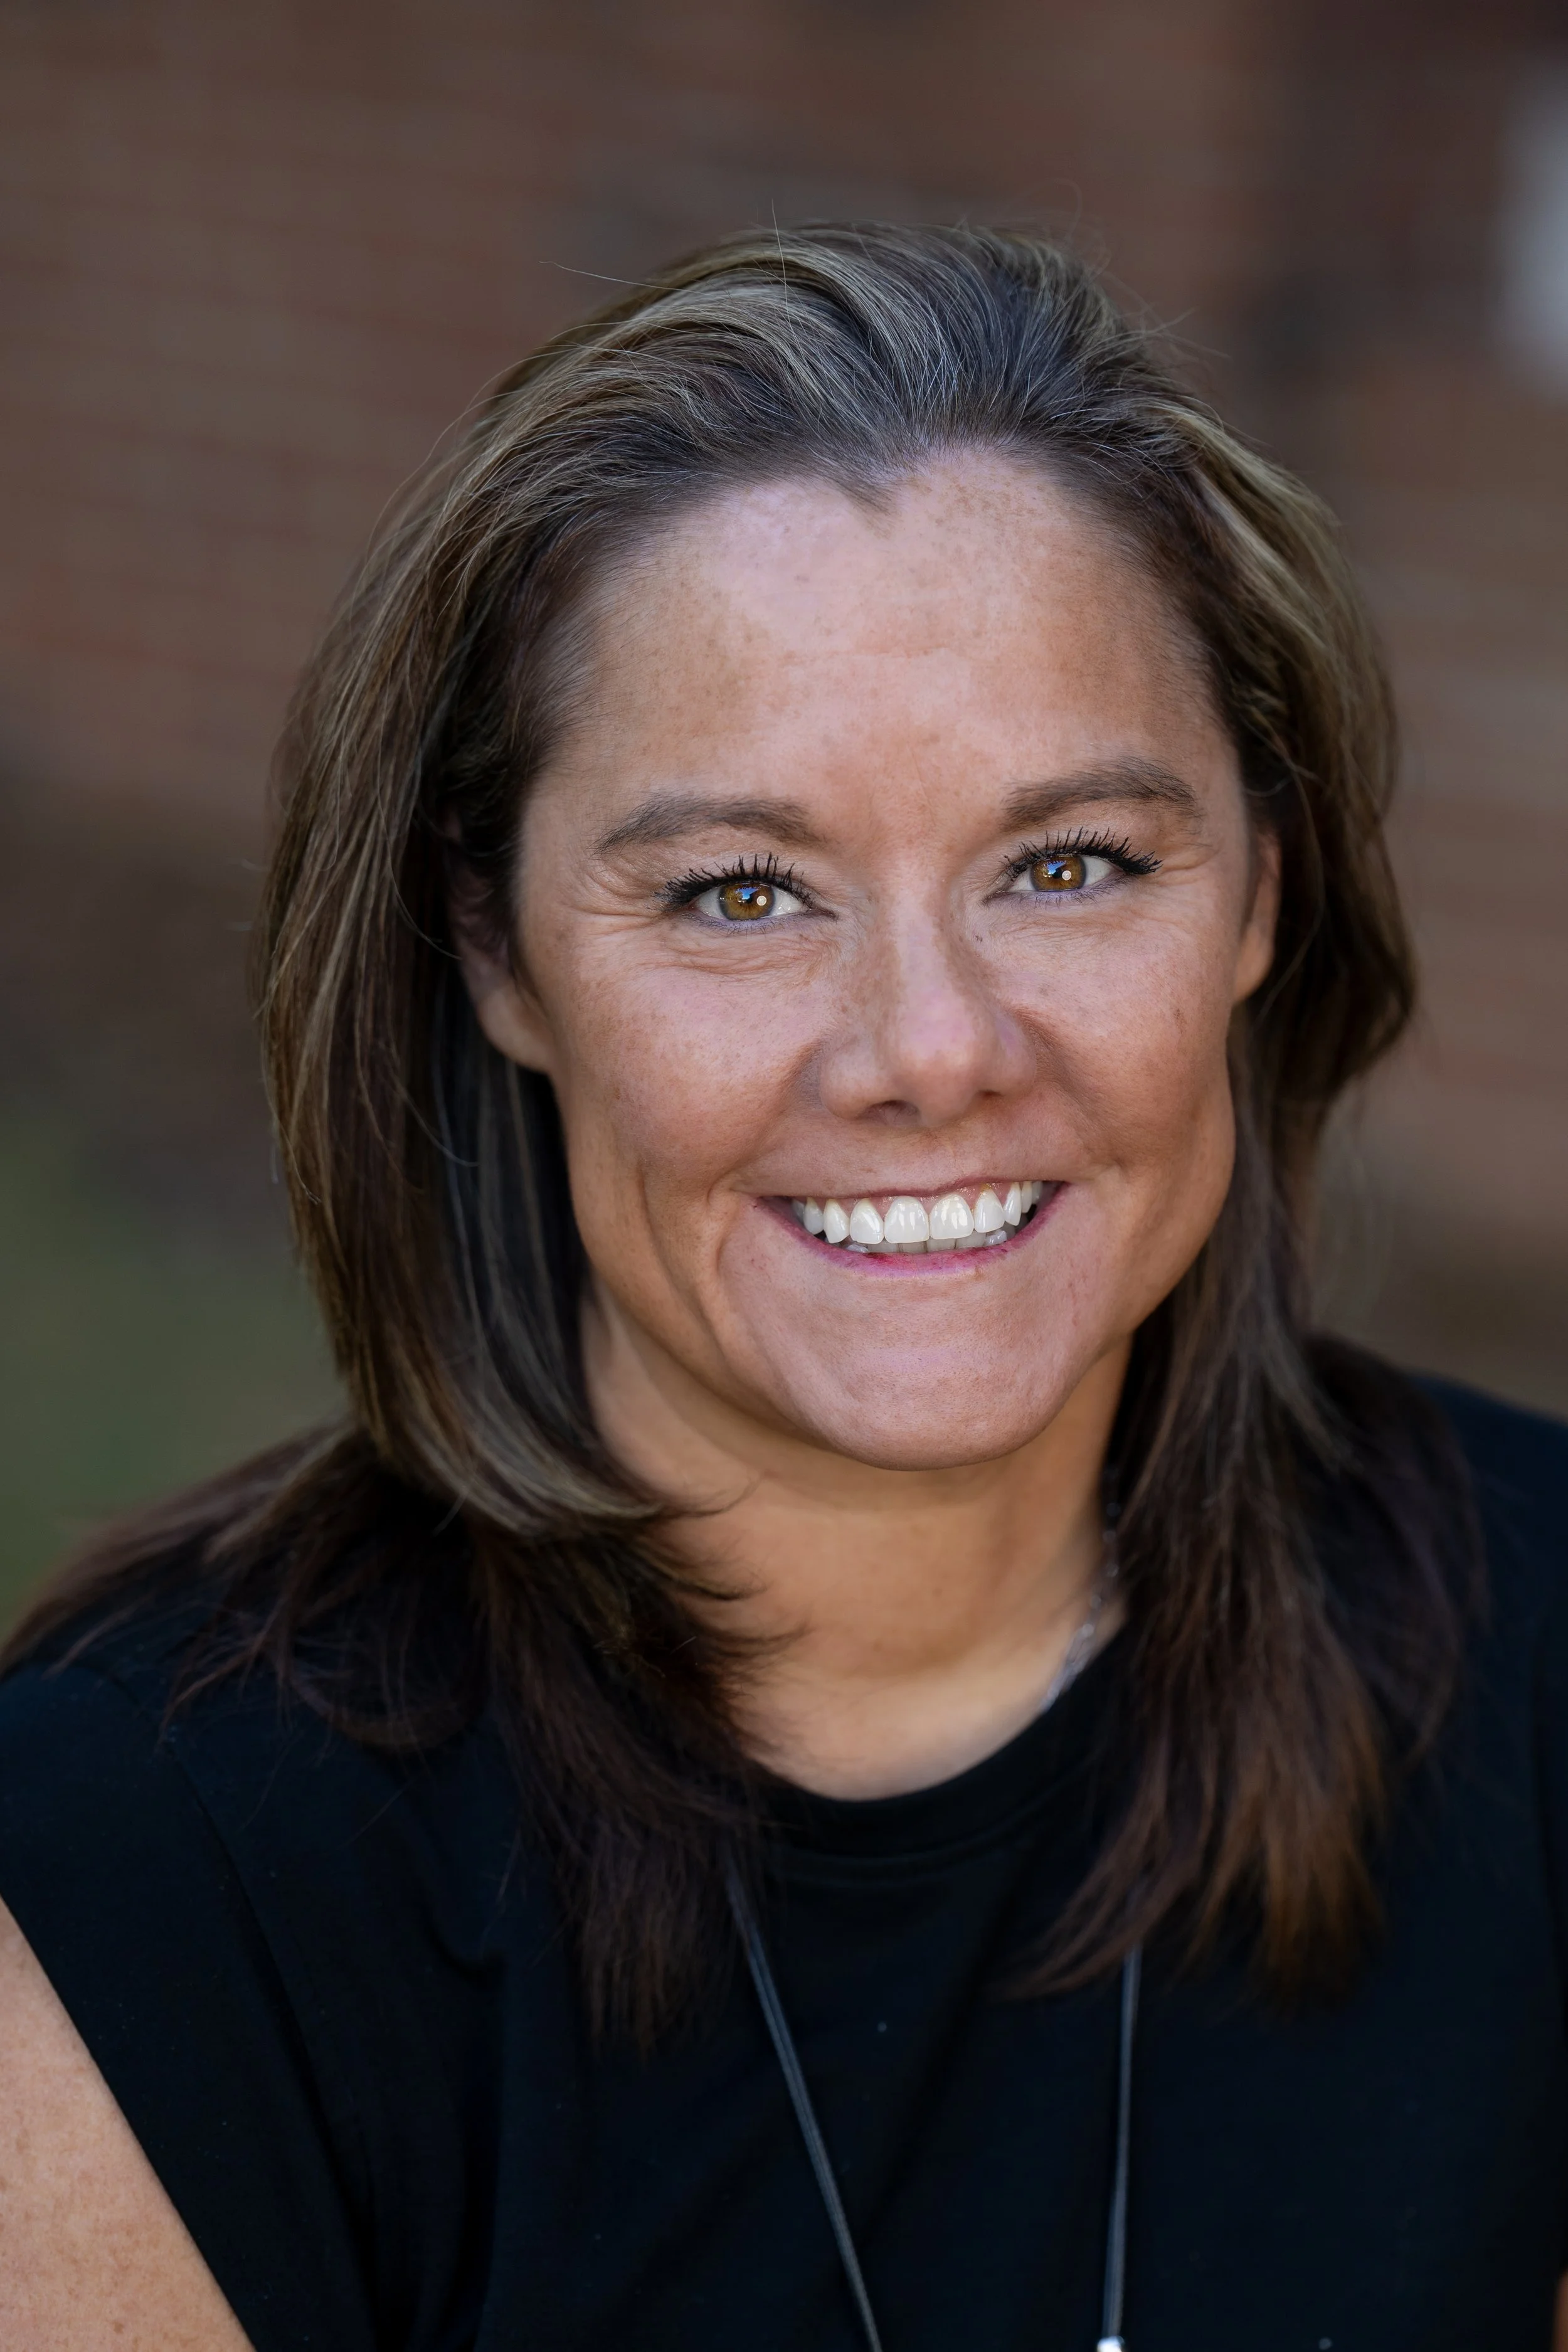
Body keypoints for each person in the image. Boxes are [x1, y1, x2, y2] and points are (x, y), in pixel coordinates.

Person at [1, 223, 1565, 2352]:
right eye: (740, 892)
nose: (928, 1046)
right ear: (495, 953)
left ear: (1260, 895)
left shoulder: (1540, 1666)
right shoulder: (142, 1883)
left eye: (1072, 861)